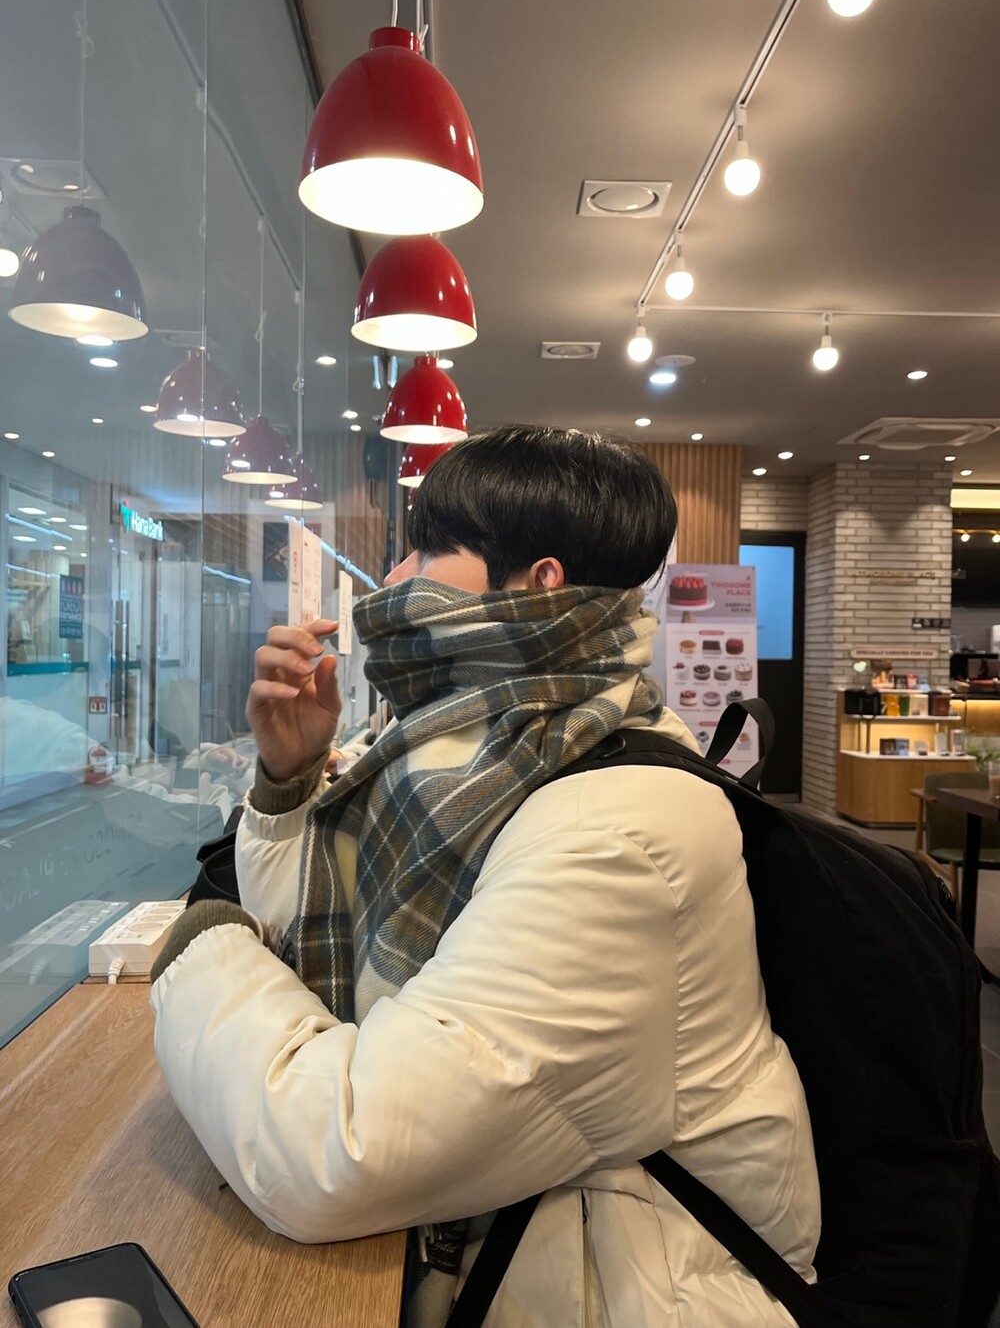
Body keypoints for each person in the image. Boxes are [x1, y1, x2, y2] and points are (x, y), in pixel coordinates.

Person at [151, 425, 819, 1327]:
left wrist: (200, 947)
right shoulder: (471, 751)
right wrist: (289, 781)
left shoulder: (619, 832)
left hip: (617, 1292)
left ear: (538, 583)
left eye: (430, 548)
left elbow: (338, 1150)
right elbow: (316, 947)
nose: (395, 577)